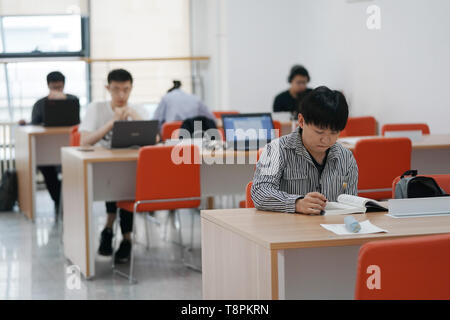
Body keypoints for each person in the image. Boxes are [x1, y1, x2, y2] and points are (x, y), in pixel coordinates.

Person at [252, 86, 358, 214]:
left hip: (332, 229)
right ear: (301, 121)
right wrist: (296, 203)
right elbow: (260, 192)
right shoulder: (275, 150)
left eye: (334, 133)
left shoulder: (345, 156)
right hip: (289, 229)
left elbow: (351, 201)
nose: (326, 140)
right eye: (319, 132)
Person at [79, 69, 147, 263]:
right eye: (116, 90)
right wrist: (113, 122)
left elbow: (155, 139)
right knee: (118, 183)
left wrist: (133, 115)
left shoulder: (137, 109)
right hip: (102, 171)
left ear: (131, 88)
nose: (121, 95)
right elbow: (84, 141)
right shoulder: (96, 108)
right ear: (108, 88)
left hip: (130, 170)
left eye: (126, 90)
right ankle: (111, 230)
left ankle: (120, 235)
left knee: (127, 183)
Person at [26, 71, 80, 214]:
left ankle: (68, 200)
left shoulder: (73, 100)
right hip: (47, 148)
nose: (57, 90)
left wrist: (63, 101)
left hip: (68, 144)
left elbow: (77, 122)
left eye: (59, 87)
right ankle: (58, 200)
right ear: (48, 86)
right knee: (45, 167)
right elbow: (34, 123)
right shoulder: (40, 104)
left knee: (70, 169)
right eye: (54, 87)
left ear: (64, 85)